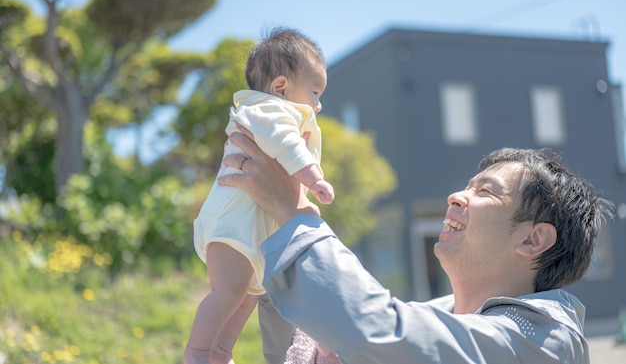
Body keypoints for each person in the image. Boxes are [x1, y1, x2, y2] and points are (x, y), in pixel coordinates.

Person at [218, 136, 614, 364]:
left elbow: (381, 336)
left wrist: (293, 214)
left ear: (532, 239)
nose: (456, 196)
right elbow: (316, 341)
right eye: (467, 185)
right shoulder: (439, 316)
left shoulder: (542, 341)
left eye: (485, 191)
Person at [184, 27, 335, 364]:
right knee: (230, 292)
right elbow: (286, 144)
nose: (318, 104)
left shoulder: (274, 111)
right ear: (281, 87)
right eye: (314, 92)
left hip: (251, 228)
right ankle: (197, 351)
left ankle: (220, 352)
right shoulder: (269, 110)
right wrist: (314, 179)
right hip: (234, 222)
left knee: (246, 295)